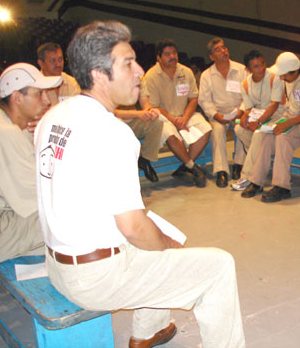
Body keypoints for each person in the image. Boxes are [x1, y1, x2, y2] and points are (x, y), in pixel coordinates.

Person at [34, 21, 245, 348]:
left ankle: (149, 331)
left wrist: (160, 240)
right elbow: (132, 228)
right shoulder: (110, 131)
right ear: (99, 74)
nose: (139, 71)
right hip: (94, 278)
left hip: (58, 265)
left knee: (161, 231)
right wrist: (165, 247)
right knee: (217, 266)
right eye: (128, 63)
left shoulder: (53, 116)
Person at [0, 62, 61, 265]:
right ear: (17, 98)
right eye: (38, 94)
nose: (47, 101)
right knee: (72, 211)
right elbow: (42, 195)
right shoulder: (3, 133)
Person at [241, 52, 300, 202]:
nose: (281, 78)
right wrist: (282, 122)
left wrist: (287, 124)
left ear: (294, 71)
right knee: (267, 136)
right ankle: (256, 181)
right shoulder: (289, 79)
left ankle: (282, 187)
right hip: (290, 118)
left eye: (284, 75)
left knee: (282, 138)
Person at [141, 39, 210, 188]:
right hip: (163, 117)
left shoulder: (186, 72)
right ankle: (194, 168)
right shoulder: (151, 76)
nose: (172, 56)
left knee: (205, 129)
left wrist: (184, 118)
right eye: (167, 54)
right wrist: (174, 120)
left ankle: (186, 166)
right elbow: (154, 106)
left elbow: (193, 98)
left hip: (185, 114)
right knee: (169, 133)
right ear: (158, 58)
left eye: (174, 53)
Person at [231, 50, 285, 191]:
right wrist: (245, 117)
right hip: (258, 115)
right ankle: (258, 161)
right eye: (256, 66)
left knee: (258, 134)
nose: (261, 68)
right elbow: (249, 107)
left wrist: (259, 122)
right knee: (239, 129)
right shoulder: (245, 84)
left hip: (277, 115)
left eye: (262, 64)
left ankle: (247, 177)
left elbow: (274, 105)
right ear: (248, 69)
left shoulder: (275, 78)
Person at [198, 37, 247, 187]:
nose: (223, 51)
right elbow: (204, 100)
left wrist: (242, 110)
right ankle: (221, 171)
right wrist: (215, 115)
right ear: (212, 57)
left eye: (224, 47)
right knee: (218, 130)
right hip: (218, 113)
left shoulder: (241, 69)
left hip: (239, 111)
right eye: (217, 50)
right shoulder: (207, 75)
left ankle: (239, 165)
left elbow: (249, 94)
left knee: (241, 128)